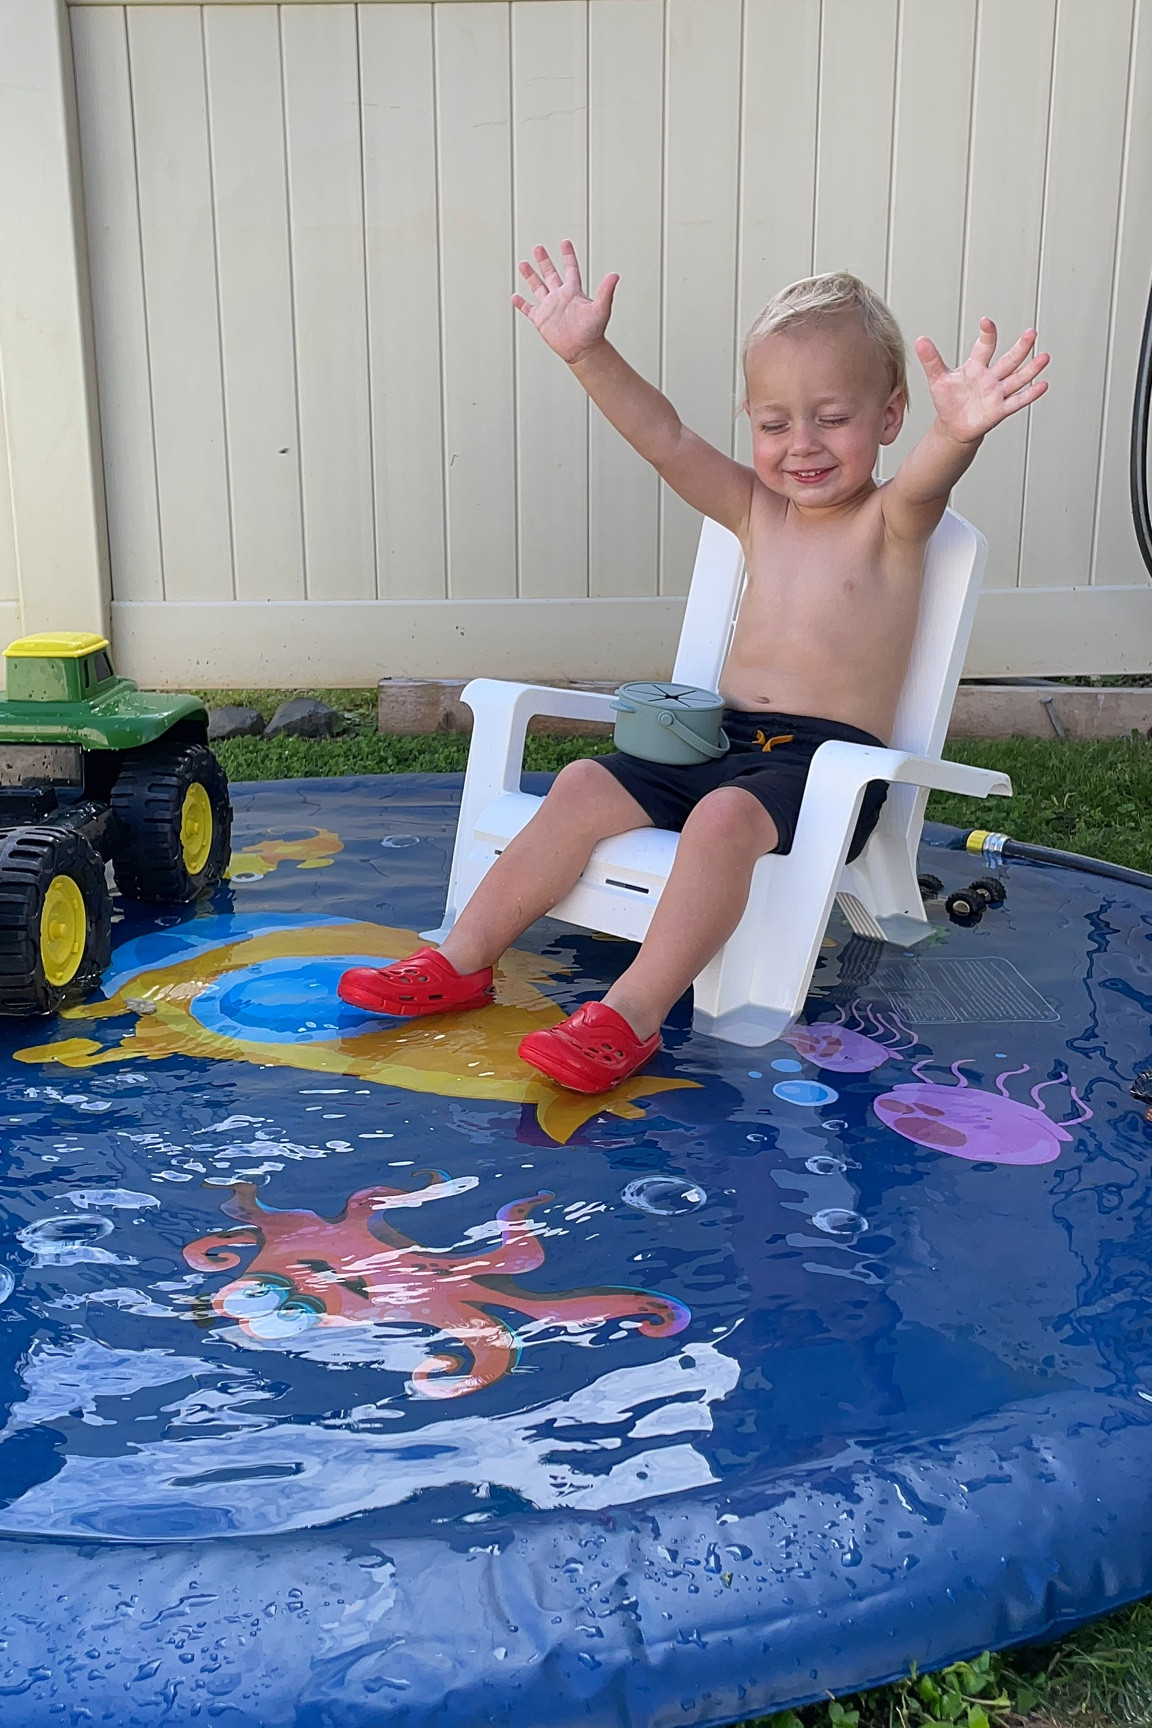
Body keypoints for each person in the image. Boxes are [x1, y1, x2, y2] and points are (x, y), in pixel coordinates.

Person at [340, 243, 1048, 1095]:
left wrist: (958, 430)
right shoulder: (755, 509)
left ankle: (627, 1016)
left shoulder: (893, 523)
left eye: (834, 417)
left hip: (821, 771)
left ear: (890, 417)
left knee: (720, 821)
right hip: (716, 738)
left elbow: (931, 481)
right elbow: (666, 438)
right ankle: (460, 958)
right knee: (580, 789)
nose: (802, 445)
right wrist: (587, 353)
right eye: (776, 422)